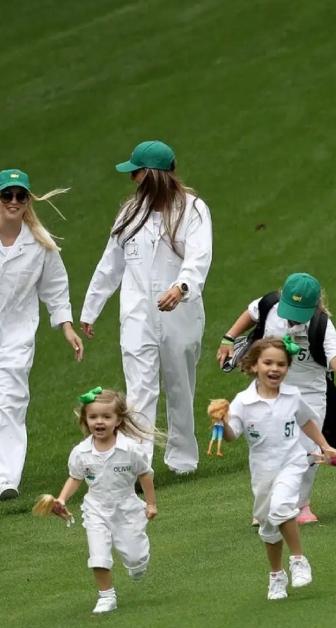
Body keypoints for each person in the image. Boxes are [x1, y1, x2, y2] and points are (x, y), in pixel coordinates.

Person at [81, 140, 213, 474]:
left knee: (179, 384)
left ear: (151, 175)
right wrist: (91, 308)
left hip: (180, 315)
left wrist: (181, 287)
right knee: (139, 389)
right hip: (138, 314)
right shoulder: (130, 213)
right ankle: (140, 463)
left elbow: (199, 257)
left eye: (135, 172)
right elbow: (111, 263)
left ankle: (182, 458)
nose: (132, 180)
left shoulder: (193, 209)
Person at [215, 272, 336, 524]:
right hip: (270, 386)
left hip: (309, 392)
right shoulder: (270, 305)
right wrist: (228, 337)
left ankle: (301, 504)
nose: (293, 317)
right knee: (271, 445)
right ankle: (268, 504)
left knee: (309, 449)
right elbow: (251, 314)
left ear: (314, 306)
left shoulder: (320, 324)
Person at [216, 337, 336, 600]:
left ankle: (298, 560)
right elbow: (232, 435)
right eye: (268, 363)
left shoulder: (292, 395)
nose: (275, 369)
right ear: (253, 366)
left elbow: (307, 421)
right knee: (268, 526)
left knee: (283, 506)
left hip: (292, 463)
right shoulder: (243, 401)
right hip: (263, 471)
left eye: (281, 364)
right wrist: (222, 423)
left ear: (287, 368)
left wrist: (325, 446)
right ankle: (276, 575)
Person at [0, 169, 83, 500]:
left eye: (21, 195)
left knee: (10, 402)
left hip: (17, 338)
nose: (15, 202)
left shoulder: (40, 244)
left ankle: (6, 478)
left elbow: (56, 288)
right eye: (7, 195)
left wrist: (66, 326)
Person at [52, 388, 157, 615]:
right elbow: (75, 478)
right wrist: (61, 499)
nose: (99, 422)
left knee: (136, 559)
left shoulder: (130, 449)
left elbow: (145, 475)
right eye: (93, 417)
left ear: (118, 420)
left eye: (106, 417)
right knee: (98, 555)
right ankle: (106, 596)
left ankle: (137, 563)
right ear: (85, 419)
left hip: (127, 508)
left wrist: (150, 504)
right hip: (96, 509)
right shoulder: (80, 453)